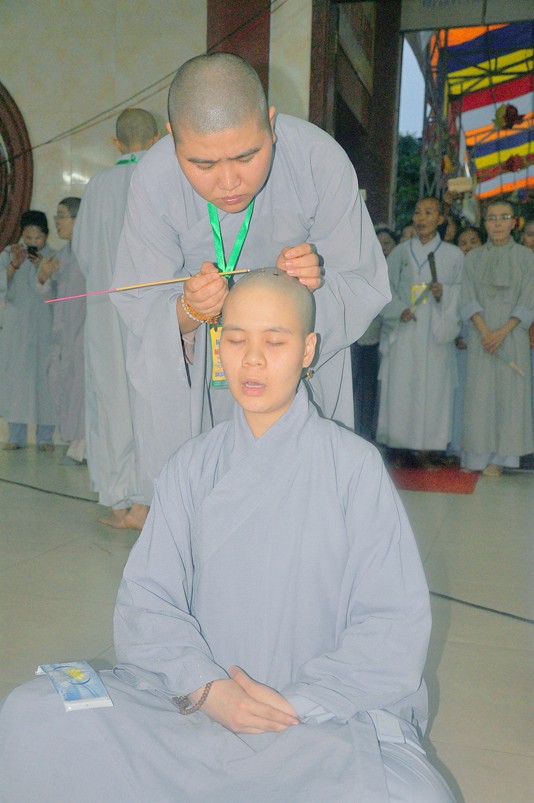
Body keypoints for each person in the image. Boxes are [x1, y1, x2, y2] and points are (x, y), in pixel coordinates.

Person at [0, 268, 455, 803]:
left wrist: (294, 704)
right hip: (193, 703)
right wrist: (209, 689)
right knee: (33, 712)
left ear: (308, 350)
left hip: (312, 718)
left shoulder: (353, 467)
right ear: (219, 346)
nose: (252, 360)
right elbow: (149, 601)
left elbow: (391, 624)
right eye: (236, 340)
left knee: (411, 793)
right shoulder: (192, 464)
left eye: (275, 342)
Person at [111, 53, 390, 501]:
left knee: (297, 513)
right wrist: (189, 308)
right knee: (204, 507)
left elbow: (361, 284)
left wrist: (301, 290)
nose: (228, 182)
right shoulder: (156, 176)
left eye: (246, 156)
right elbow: (140, 305)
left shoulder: (318, 160)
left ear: (271, 125)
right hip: (203, 387)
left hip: (296, 381)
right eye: (202, 164)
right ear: (172, 139)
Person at [72, 108, 159, 529]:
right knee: (152, 399)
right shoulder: (165, 178)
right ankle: (147, 503)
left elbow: (84, 252)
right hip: (155, 309)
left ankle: (119, 504)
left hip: (105, 309)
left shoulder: (98, 186)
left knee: (110, 400)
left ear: (115, 143)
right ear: (158, 140)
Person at [377, 197, 464, 466]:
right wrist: (398, 309)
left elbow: (463, 292)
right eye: (417, 212)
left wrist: (444, 293)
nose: (421, 218)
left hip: (436, 332)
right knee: (402, 387)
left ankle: (429, 449)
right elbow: (384, 288)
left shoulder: (454, 255)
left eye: (429, 212)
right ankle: (400, 448)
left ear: (440, 219)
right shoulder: (400, 253)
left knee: (434, 388)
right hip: (405, 328)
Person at [461, 200, 534, 476]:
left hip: (512, 335)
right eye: (492, 218)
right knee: (479, 394)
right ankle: (477, 456)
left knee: (510, 395)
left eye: (504, 217)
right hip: (481, 337)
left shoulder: (527, 258)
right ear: (485, 223)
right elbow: (467, 297)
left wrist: (502, 332)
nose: (498, 224)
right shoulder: (473, 258)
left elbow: (528, 299)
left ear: (514, 222)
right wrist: (485, 332)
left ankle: (503, 458)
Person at [0, 211, 56, 450]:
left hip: (45, 326)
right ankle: (15, 436)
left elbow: (59, 290)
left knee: (47, 380)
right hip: (17, 328)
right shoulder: (9, 254)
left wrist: (42, 268)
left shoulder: (53, 256)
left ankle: (45, 437)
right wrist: (15, 265)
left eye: (38, 237)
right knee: (16, 380)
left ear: (46, 236)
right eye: (28, 237)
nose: (33, 242)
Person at [37, 197, 86, 465]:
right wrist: (44, 277)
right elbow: (52, 298)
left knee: (81, 389)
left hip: (83, 334)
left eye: (62, 216)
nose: (56, 221)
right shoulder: (61, 256)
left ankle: (81, 446)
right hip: (62, 337)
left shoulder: (89, 254)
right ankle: (74, 441)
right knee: (60, 383)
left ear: (79, 220)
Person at [351, 225, 398, 441]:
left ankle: (372, 433)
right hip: (362, 339)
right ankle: (359, 432)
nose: (383, 248)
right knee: (360, 388)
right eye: (378, 244)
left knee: (379, 391)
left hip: (388, 339)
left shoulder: (399, 270)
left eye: (387, 244)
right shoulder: (362, 269)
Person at [447, 226, 485, 461]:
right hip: (457, 346)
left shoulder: (488, 271)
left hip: (483, 344)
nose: (468, 247)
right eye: (463, 242)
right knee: (458, 398)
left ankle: (477, 450)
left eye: (474, 241)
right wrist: (455, 335)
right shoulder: (453, 272)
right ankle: (455, 448)